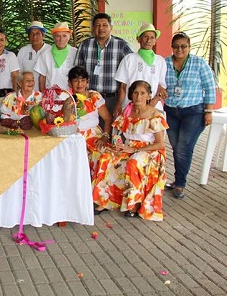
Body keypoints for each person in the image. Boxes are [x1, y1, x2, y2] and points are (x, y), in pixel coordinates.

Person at [92, 81, 169, 221]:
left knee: (133, 163)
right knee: (106, 158)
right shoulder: (127, 112)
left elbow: (159, 144)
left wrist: (135, 149)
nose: (138, 96)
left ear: (149, 96)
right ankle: (104, 200)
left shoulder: (155, 115)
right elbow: (119, 134)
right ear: (131, 95)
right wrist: (117, 145)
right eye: (135, 93)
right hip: (128, 147)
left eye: (142, 93)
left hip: (150, 151)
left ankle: (134, 203)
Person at [164, 32, 216, 199]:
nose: (180, 49)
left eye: (183, 46)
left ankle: (180, 184)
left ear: (189, 47)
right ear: (172, 47)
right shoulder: (165, 63)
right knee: (176, 146)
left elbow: (209, 87)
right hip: (172, 111)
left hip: (193, 111)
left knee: (183, 148)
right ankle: (177, 179)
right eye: (176, 46)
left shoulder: (199, 63)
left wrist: (208, 111)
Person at [75, 13, 133, 116]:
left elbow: (132, 69)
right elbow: (78, 72)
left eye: (104, 25)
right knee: (91, 128)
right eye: (97, 25)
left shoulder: (121, 45)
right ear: (93, 28)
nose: (101, 28)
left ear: (111, 27)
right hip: (90, 97)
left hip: (113, 99)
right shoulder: (85, 45)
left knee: (111, 129)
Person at [63, 66, 113, 175]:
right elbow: (65, 124)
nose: (79, 84)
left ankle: (99, 190)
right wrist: (68, 105)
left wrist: (105, 137)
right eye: (76, 80)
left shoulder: (94, 96)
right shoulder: (65, 99)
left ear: (87, 82)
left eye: (82, 80)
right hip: (75, 138)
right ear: (69, 83)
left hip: (95, 136)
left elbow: (108, 118)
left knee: (107, 157)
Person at [114, 22, 167, 116]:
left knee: (152, 129)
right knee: (131, 129)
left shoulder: (160, 61)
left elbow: (161, 86)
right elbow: (123, 87)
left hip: (153, 107)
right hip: (131, 107)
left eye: (152, 37)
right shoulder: (129, 59)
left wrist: (155, 100)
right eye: (145, 37)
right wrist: (118, 105)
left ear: (155, 41)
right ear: (138, 39)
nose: (148, 40)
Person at [34, 22, 77, 91]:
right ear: (53, 36)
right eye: (58, 36)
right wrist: (43, 95)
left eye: (64, 36)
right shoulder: (45, 54)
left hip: (70, 95)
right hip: (50, 95)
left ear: (69, 36)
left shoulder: (75, 52)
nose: (61, 39)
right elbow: (42, 77)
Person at [17, 21, 51, 92]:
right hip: (27, 93)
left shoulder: (50, 50)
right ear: (28, 36)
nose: (34, 37)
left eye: (38, 33)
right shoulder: (23, 51)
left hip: (46, 93)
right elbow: (18, 73)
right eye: (32, 34)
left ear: (43, 35)